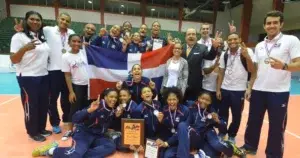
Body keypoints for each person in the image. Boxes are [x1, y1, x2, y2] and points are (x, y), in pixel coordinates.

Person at [241, 10, 300, 157]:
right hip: (258, 90)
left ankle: (273, 154)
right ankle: (250, 146)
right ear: (264, 26)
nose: (271, 25)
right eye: (268, 23)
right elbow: (255, 70)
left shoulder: (291, 40)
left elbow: (298, 64)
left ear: (281, 24)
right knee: (253, 121)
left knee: (276, 126)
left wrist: (284, 66)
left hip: (278, 92)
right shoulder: (260, 45)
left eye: (275, 22)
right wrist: (250, 87)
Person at [14, 12, 76, 134]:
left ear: (70, 23)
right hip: (52, 71)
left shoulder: (72, 32)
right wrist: (20, 30)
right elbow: (32, 28)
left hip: (68, 71)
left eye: (67, 21)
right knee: (51, 100)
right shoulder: (48, 30)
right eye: (62, 19)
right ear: (58, 19)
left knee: (67, 100)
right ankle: (55, 123)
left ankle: (67, 120)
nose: (64, 22)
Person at [32, 88, 121, 157]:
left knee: (111, 147)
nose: (113, 99)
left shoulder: (112, 110)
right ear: (105, 97)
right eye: (111, 97)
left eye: (115, 97)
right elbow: (75, 118)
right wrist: (89, 110)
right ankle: (52, 150)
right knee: (76, 155)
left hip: (98, 137)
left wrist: (116, 117)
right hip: (84, 134)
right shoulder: (96, 106)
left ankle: (80, 152)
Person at [10, 11, 52, 142]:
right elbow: (14, 59)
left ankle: (41, 128)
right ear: (26, 20)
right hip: (27, 77)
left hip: (43, 75)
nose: (35, 22)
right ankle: (32, 132)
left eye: (38, 20)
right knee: (31, 105)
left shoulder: (41, 36)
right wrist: (24, 49)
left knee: (43, 104)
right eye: (32, 19)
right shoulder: (19, 37)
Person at [216, 33, 255, 144]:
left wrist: (247, 56)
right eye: (230, 39)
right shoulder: (225, 54)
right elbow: (221, 72)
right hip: (225, 89)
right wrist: (218, 89)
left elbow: (252, 70)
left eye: (235, 39)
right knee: (222, 114)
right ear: (227, 42)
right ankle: (222, 132)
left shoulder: (247, 52)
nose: (232, 41)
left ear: (239, 39)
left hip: (239, 90)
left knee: (236, 115)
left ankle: (232, 135)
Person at [187, 92, 245, 158]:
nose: (204, 101)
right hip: (197, 134)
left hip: (208, 132)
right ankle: (220, 149)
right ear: (198, 98)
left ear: (210, 102)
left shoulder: (212, 111)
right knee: (212, 155)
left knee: (217, 145)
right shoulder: (191, 106)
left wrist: (218, 121)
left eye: (207, 100)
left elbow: (223, 127)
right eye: (202, 98)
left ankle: (231, 148)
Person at [61, 34, 89, 141]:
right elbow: (67, 75)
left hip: (89, 85)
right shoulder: (65, 57)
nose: (76, 43)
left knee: (86, 108)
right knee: (74, 108)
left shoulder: (84, 53)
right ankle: (69, 130)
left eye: (78, 41)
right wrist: (71, 91)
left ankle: (84, 128)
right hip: (77, 85)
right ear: (69, 42)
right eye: (74, 41)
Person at [182, 28, 221, 103]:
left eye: (193, 34)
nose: (191, 36)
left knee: (194, 106)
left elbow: (210, 56)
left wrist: (214, 47)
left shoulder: (202, 48)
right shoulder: (181, 47)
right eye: (189, 34)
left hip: (195, 85)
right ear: (185, 37)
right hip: (181, 84)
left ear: (196, 37)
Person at [155, 87, 191, 158]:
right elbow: (161, 130)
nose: (172, 102)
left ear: (178, 99)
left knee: (182, 125)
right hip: (171, 141)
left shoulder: (185, 110)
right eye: (169, 99)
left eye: (174, 99)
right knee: (165, 156)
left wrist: (167, 143)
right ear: (166, 100)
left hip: (183, 140)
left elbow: (183, 131)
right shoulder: (164, 110)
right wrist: (160, 122)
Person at [198, 23, 221, 112]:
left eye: (207, 29)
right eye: (203, 29)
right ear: (200, 31)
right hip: (201, 79)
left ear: (209, 31)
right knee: (201, 106)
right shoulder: (197, 43)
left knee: (213, 108)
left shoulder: (215, 42)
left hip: (213, 79)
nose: (205, 30)